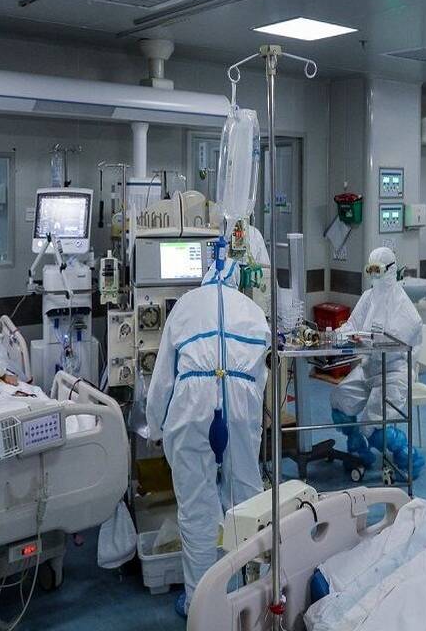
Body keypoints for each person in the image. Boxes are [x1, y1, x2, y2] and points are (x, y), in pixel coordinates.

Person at [146, 246, 270, 618]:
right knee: (245, 499)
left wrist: (155, 425)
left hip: (192, 403)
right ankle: (251, 597)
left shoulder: (185, 305)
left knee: (196, 507)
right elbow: (261, 377)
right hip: (241, 400)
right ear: (236, 280)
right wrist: (251, 425)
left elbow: (163, 377)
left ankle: (201, 605)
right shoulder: (253, 311)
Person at [329, 247, 424, 479]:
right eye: (370, 270)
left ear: (390, 270)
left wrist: (365, 340)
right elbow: (353, 324)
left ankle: (408, 458)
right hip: (369, 367)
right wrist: (338, 335)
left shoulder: (406, 309)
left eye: (377, 270)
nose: (374, 276)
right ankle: (358, 451)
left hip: (394, 373)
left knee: (373, 428)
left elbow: (393, 346)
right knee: (340, 400)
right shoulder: (368, 297)